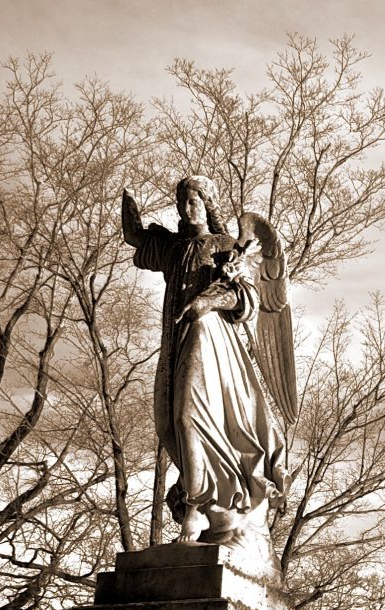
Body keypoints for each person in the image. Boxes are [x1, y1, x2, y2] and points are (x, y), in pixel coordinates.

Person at [120, 176, 295, 545]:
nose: (187, 209)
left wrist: (208, 301)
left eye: (194, 201)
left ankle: (198, 506)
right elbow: (135, 237)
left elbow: (247, 298)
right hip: (176, 341)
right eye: (182, 202)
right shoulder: (175, 247)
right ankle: (204, 498)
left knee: (189, 416)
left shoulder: (226, 246)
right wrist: (127, 199)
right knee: (168, 425)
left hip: (208, 337)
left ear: (208, 203)